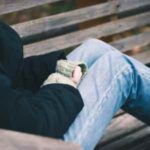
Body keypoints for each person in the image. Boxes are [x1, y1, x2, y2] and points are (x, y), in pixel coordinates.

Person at [0, 21, 150, 150]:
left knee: (94, 48)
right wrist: (62, 81)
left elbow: (11, 76)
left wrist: (56, 66)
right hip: (36, 142)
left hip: (26, 120)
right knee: (119, 68)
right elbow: (30, 125)